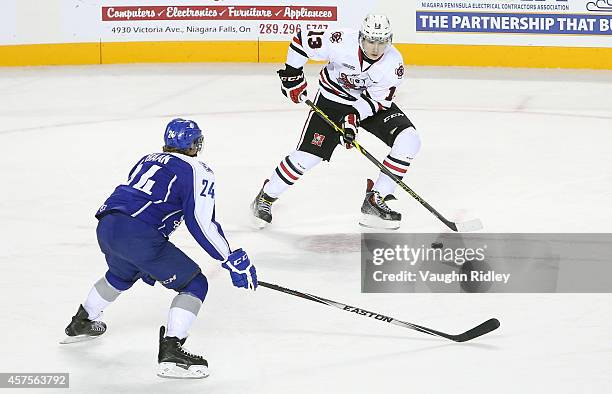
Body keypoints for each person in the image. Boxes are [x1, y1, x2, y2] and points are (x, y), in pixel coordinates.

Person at [61, 118, 257, 379]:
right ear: (194, 144)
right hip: (138, 234)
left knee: (120, 275)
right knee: (195, 284)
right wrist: (229, 257)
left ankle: (82, 321)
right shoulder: (197, 170)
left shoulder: (147, 159)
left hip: (107, 225)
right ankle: (172, 352)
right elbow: (200, 222)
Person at [251, 14, 421, 230]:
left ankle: (377, 199)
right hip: (332, 101)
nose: (375, 48)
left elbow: (378, 101)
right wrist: (292, 74)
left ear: (390, 40)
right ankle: (266, 196)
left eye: (381, 42)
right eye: (370, 41)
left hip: (365, 103)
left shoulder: (393, 63)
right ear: (361, 37)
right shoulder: (340, 41)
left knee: (409, 140)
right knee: (307, 157)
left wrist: (353, 118)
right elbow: (301, 40)